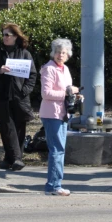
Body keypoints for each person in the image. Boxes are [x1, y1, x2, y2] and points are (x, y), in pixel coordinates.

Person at [0, 23, 37, 171]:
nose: (5, 37)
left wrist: (24, 90)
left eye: (8, 35)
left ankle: (9, 159)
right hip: (2, 97)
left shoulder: (24, 53)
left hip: (19, 97)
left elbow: (32, 75)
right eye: (3, 34)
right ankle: (17, 159)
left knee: (20, 127)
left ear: (15, 37)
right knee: (7, 128)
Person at [39, 38, 80, 196]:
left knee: (59, 150)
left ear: (68, 54)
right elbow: (46, 93)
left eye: (63, 52)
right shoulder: (49, 69)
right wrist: (67, 93)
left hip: (63, 113)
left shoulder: (65, 69)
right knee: (57, 150)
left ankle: (55, 184)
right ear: (53, 53)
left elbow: (67, 89)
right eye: (57, 52)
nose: (60, 55)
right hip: (52, 113)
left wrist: (76, 96)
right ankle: (53, 186)